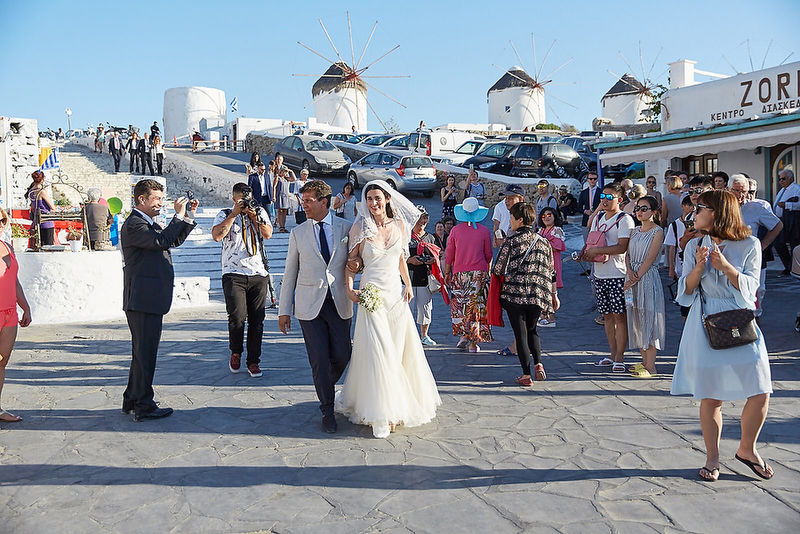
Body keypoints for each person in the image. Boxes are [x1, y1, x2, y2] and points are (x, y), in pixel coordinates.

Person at [671, 190, 774, 482]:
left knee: (760, 389)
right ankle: (712, 457)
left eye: (699, 207)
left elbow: (751, 289)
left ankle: (747, 449)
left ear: (716, 211)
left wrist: (725, 267)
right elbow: (686, 291)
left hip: (741, 320)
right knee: (711, 395)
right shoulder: (695, 246)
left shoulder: (750, 244)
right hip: (705, 321)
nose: (694, 213)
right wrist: (700, 267)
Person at [338, 180, 441, 438]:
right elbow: (351, 263)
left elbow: (400, 258)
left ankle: (398, 404)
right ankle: (383, 413)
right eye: (369, 199)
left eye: (377, 198)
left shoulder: (400, 226)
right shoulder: (360, 227)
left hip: (395, 296)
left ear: (386, 199)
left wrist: (407, 284)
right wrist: (351, 290)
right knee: (378, 350)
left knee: (395, 350)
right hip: (371, 295)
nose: (373, 203)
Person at [278, 180, 353, 433]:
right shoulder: (297, 233)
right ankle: (327, 409)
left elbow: (356, 263)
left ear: (325, 202)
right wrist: (283, 310)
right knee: (319, 358)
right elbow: (290, 274)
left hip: (340, 303)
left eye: (308, 201)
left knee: (344, 355)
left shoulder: (347, 228)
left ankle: (324, 385)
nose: (304, 205)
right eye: (303, 200)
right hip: (309, 307)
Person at [120, 179, 197, 421]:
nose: (161, 204)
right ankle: (143, 404)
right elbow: (161, 241)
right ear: (141, 199)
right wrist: (178, 216)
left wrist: (187, 217)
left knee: (141, 353)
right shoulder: (135, 224)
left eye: (162, 199)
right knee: (145, 354)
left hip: (148, 299)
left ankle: (132, 398)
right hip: (143, 299)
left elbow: (172, 240)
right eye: (157, 200)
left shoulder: (146, 223)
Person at [492, 202, 558, 387]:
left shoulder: (511, 242)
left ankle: (526, 374)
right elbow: (551, 270)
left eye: (512, 218)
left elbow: (498, 269)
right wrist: (554, 295)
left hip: (514, 295)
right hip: (537, 295)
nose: (510, 221)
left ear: (520, 220)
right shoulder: (544, 242)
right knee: (532, 330)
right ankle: (539, 364)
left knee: (520, 334)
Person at [212, 183, 273, 378]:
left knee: (258, 320)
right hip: (233, 273)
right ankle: (236, 352)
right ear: (234, 199)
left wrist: (254, 216)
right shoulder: (224, 213)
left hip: (258, 273)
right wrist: (234, 214)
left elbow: (267, 234)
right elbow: (216, 236)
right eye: (241, 200)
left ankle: (254, 361)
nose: (245, 203)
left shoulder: (259, 211)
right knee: (237, 317)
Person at [581, 182, 635, 373]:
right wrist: (586, 252)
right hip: (599, 273)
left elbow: (622, 247)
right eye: (602, 196)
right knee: (607, 316)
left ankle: (620, 356)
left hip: (618, 275)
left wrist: (598, 250)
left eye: (609, 197)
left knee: (620, 317)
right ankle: (612, 354)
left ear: (620, 199)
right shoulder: (598, 218)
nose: (604, 200)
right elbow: (591, 238)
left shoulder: (625, 219)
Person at [729, 174, 782, 319]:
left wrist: (762, 245)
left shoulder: (756, 207)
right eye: (736, 190)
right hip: (728, 257)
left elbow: (777, 225)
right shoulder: (722, 207)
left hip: (750, 258)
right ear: (728, 189)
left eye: (744, 191)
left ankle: (754, 318)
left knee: (757, 290)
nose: (740, 195)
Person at [624, 195, 665, 378]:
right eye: (638, 208)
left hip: (647, 278)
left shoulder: (658, 231)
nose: (639, 212)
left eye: (644, 209)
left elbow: (650, 257)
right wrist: (629, 271)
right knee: (636, 319)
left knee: (649, 317)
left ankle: (651, 366)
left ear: (653, 212)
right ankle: (643, 361)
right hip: (632, 276)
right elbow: (627, 254)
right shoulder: (634, 231)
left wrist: (636, 276)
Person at [445, 197, 494, 352]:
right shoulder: (484, 231)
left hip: (459, 274)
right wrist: (488, 272)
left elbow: (449, 254)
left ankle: (464, 335)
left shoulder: (455, 231)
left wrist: (447, 272)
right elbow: (488, 255)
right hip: (479, 274)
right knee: (476, 308)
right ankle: (474, 342)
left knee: (461, 306)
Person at [0, 208, 32, 424]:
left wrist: (26, 307)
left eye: (2, 219)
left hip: (10, 313)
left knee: (1, 363)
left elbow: (15, 281)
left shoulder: (8, 246)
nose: (0, 223)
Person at [407, 207, 439, 346]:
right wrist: (409, 260)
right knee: (406, 309)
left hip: (425, 278)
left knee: (425, 308)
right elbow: (398, 255)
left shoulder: (430, 237)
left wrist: (432, 260)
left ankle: (424, 335)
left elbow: (436, 255)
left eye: (425, 218)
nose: (422, 221)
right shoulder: (405, 237)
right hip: (408, 277)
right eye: (419, 218)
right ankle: (405, 335)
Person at [536, 207, 565, 328]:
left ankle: (551, 317)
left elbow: (558, 245)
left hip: (552, 264)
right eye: (543, 216)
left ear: (554, 216)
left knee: (552, 291)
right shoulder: (541, 230)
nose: (546, 218)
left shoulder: (557, 230)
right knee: (543, 291)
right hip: (542, 264)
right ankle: (544, 315)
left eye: (549, 215)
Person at [773, 169, 800, 275]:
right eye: (780, 179)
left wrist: (787, 205)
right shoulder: (782, 190)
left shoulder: (796, 189)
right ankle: (788, 265)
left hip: (792, 221)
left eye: (783, 179)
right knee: (778, 243)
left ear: (791, 178)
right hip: (780, 220)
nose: (781, 181)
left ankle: (793, 267)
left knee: (794, 244)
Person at [25, 170, 55, 246]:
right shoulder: (41, 191)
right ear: (42, 179)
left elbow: (32, 207)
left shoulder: (31, 191)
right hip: (46, 221)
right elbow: (52, 207)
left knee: (40, 245)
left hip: (37, 221)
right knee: (48, 246)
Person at [492, 184, 525, 248]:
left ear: (520, 199)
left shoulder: (526, 213)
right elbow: (496, 224)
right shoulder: (499, 206)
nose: (506, 201)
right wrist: (496, 239)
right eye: (506, 198)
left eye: (511, 198)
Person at [579, 171, 601, 247]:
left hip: (598, 220)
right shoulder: (583, 193)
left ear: (597, 180)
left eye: (594, 179)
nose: (592, 181)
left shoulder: (601, 192)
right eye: (590, 179)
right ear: (587, 180)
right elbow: (579, 207)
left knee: (597, 241)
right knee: (586, 242)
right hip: (586, 220)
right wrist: (585, 211)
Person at [273, 166, 295, 233]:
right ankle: (280, 227)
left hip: (285, 196)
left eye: (286, 171)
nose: (285, 173)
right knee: (280, 211)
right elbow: (274, 187)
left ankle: (283, 226)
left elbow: (294, 179)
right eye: (284, 171)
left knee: (285, 211)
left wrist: (291, 171)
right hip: (279, 195)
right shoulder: (278, 178)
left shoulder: (286, 179)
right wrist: (274, 196)